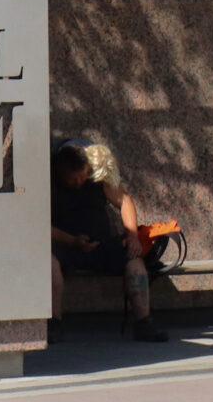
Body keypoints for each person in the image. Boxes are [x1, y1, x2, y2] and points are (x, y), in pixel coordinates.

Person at [49, 141, 166, 343]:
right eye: (72, 180)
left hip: (100, 244)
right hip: (66, 245)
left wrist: (132, 235)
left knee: (134, 259)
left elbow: (124, 201)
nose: (78, 183)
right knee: (48, 262)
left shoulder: (97, 177)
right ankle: (53, 323)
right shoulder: (49, 184)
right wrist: (73, 241)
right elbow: (41, 226)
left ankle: (144, 322)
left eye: (82, 178)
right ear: (60, 175)